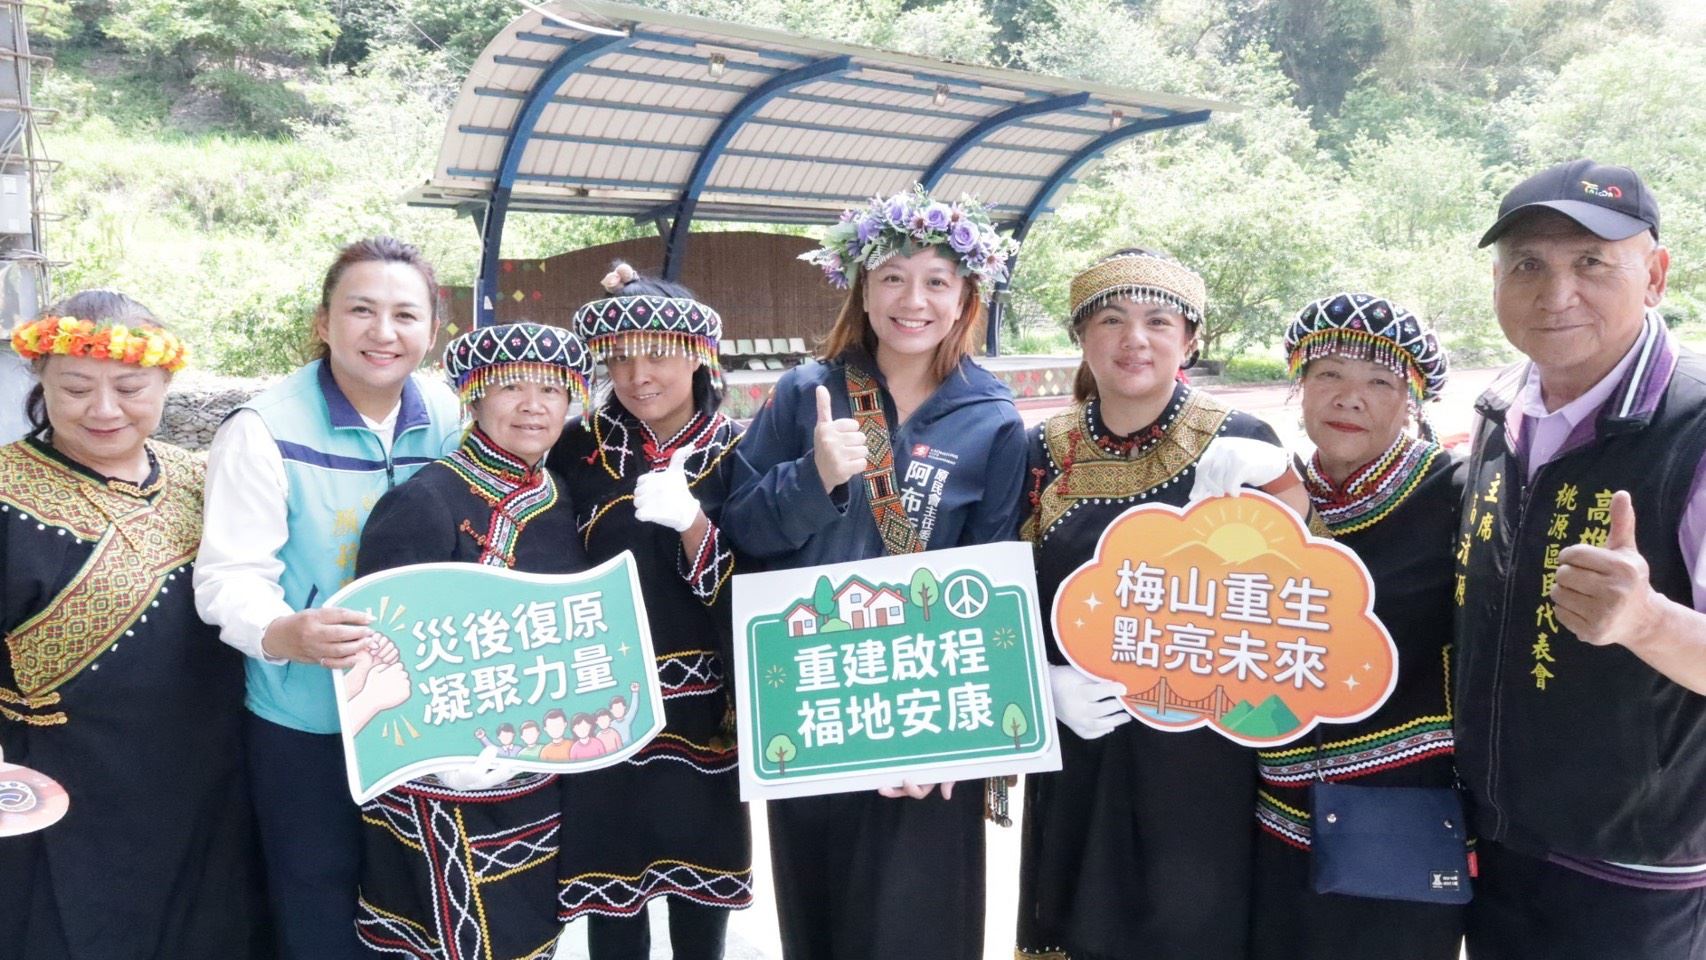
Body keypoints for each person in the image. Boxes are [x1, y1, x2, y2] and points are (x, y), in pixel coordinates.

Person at [721, 186, 1028, 960]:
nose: (912, 301)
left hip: (925, 711)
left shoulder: (992, 418)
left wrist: (961, 741)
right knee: (819, 919)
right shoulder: (806, 394)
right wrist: (814, 477)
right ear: (862, 288)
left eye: (936, 281)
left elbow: (996, 578)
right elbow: (740, 531)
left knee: (916, 927)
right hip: (816, 697)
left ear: (965, 297)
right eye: (892, 277)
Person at [1015, 247, 1309, 960]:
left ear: (1191, 339)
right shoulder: (1042, 449)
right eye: (1111, 320)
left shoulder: (1240, 439)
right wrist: (1035, 683)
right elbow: (1001, 587)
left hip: (1202, 753)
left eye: (1157, 321)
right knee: (1077, 918)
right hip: (1080, 737)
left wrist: (1284, 486)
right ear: (1081, 336)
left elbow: (1301, 592)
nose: (1134, 339)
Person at [1455, 159, 1706, 959]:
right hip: (1496, 844)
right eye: (1528, 264)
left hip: (1632, 873)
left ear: (1655, 275)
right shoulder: (1500, 411)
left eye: (1591, 262)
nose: (1555, 294)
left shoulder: (1695, 429)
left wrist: (1650, 622)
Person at [193, 237, 463, 960]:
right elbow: (227, 575)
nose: (384, 332)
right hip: (306, 719)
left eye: (405, 315)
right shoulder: (263, 429)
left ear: (432, 331)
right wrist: (284, 632)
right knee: (315, 895)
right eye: (361, 310)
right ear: (323, 322)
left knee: (419, 899)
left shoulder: (449, 415)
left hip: (421, 716)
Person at [0, 292, 265, 958]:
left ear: (166, 382)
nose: (104, 409)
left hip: (213, 785)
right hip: (62, 794)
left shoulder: (206, 480)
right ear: (40, 378)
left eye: (129, 388)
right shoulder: (5, 491)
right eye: (76, 388)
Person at [351, 319, 595, 960]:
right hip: (441, 779)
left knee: (530, 935)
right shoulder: (426, 500)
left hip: (538, 765)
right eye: (512, 387)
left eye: (552, 390)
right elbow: (377, 645)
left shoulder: (558, 495)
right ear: (476, 397)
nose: (534, 406)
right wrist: (442, 756)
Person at [1247, 292, 1463, 959]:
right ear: (1301, 387)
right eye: (1329, 375)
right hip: (1276, 810)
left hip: (1405, 815)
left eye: (1380, 382)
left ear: (1412, 400)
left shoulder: (1453, 493)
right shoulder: (1264, 496)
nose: (1349, 398)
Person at [549, 262, 752, 958]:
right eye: (620, 358)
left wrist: (694, 525)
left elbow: (758, 591)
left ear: (698, 355)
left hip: (708, 714)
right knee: (613, 903)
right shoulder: (576, 450)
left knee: (703, 898)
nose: (638, 377)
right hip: (604, 706)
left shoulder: (740, 451)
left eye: (658, 355)